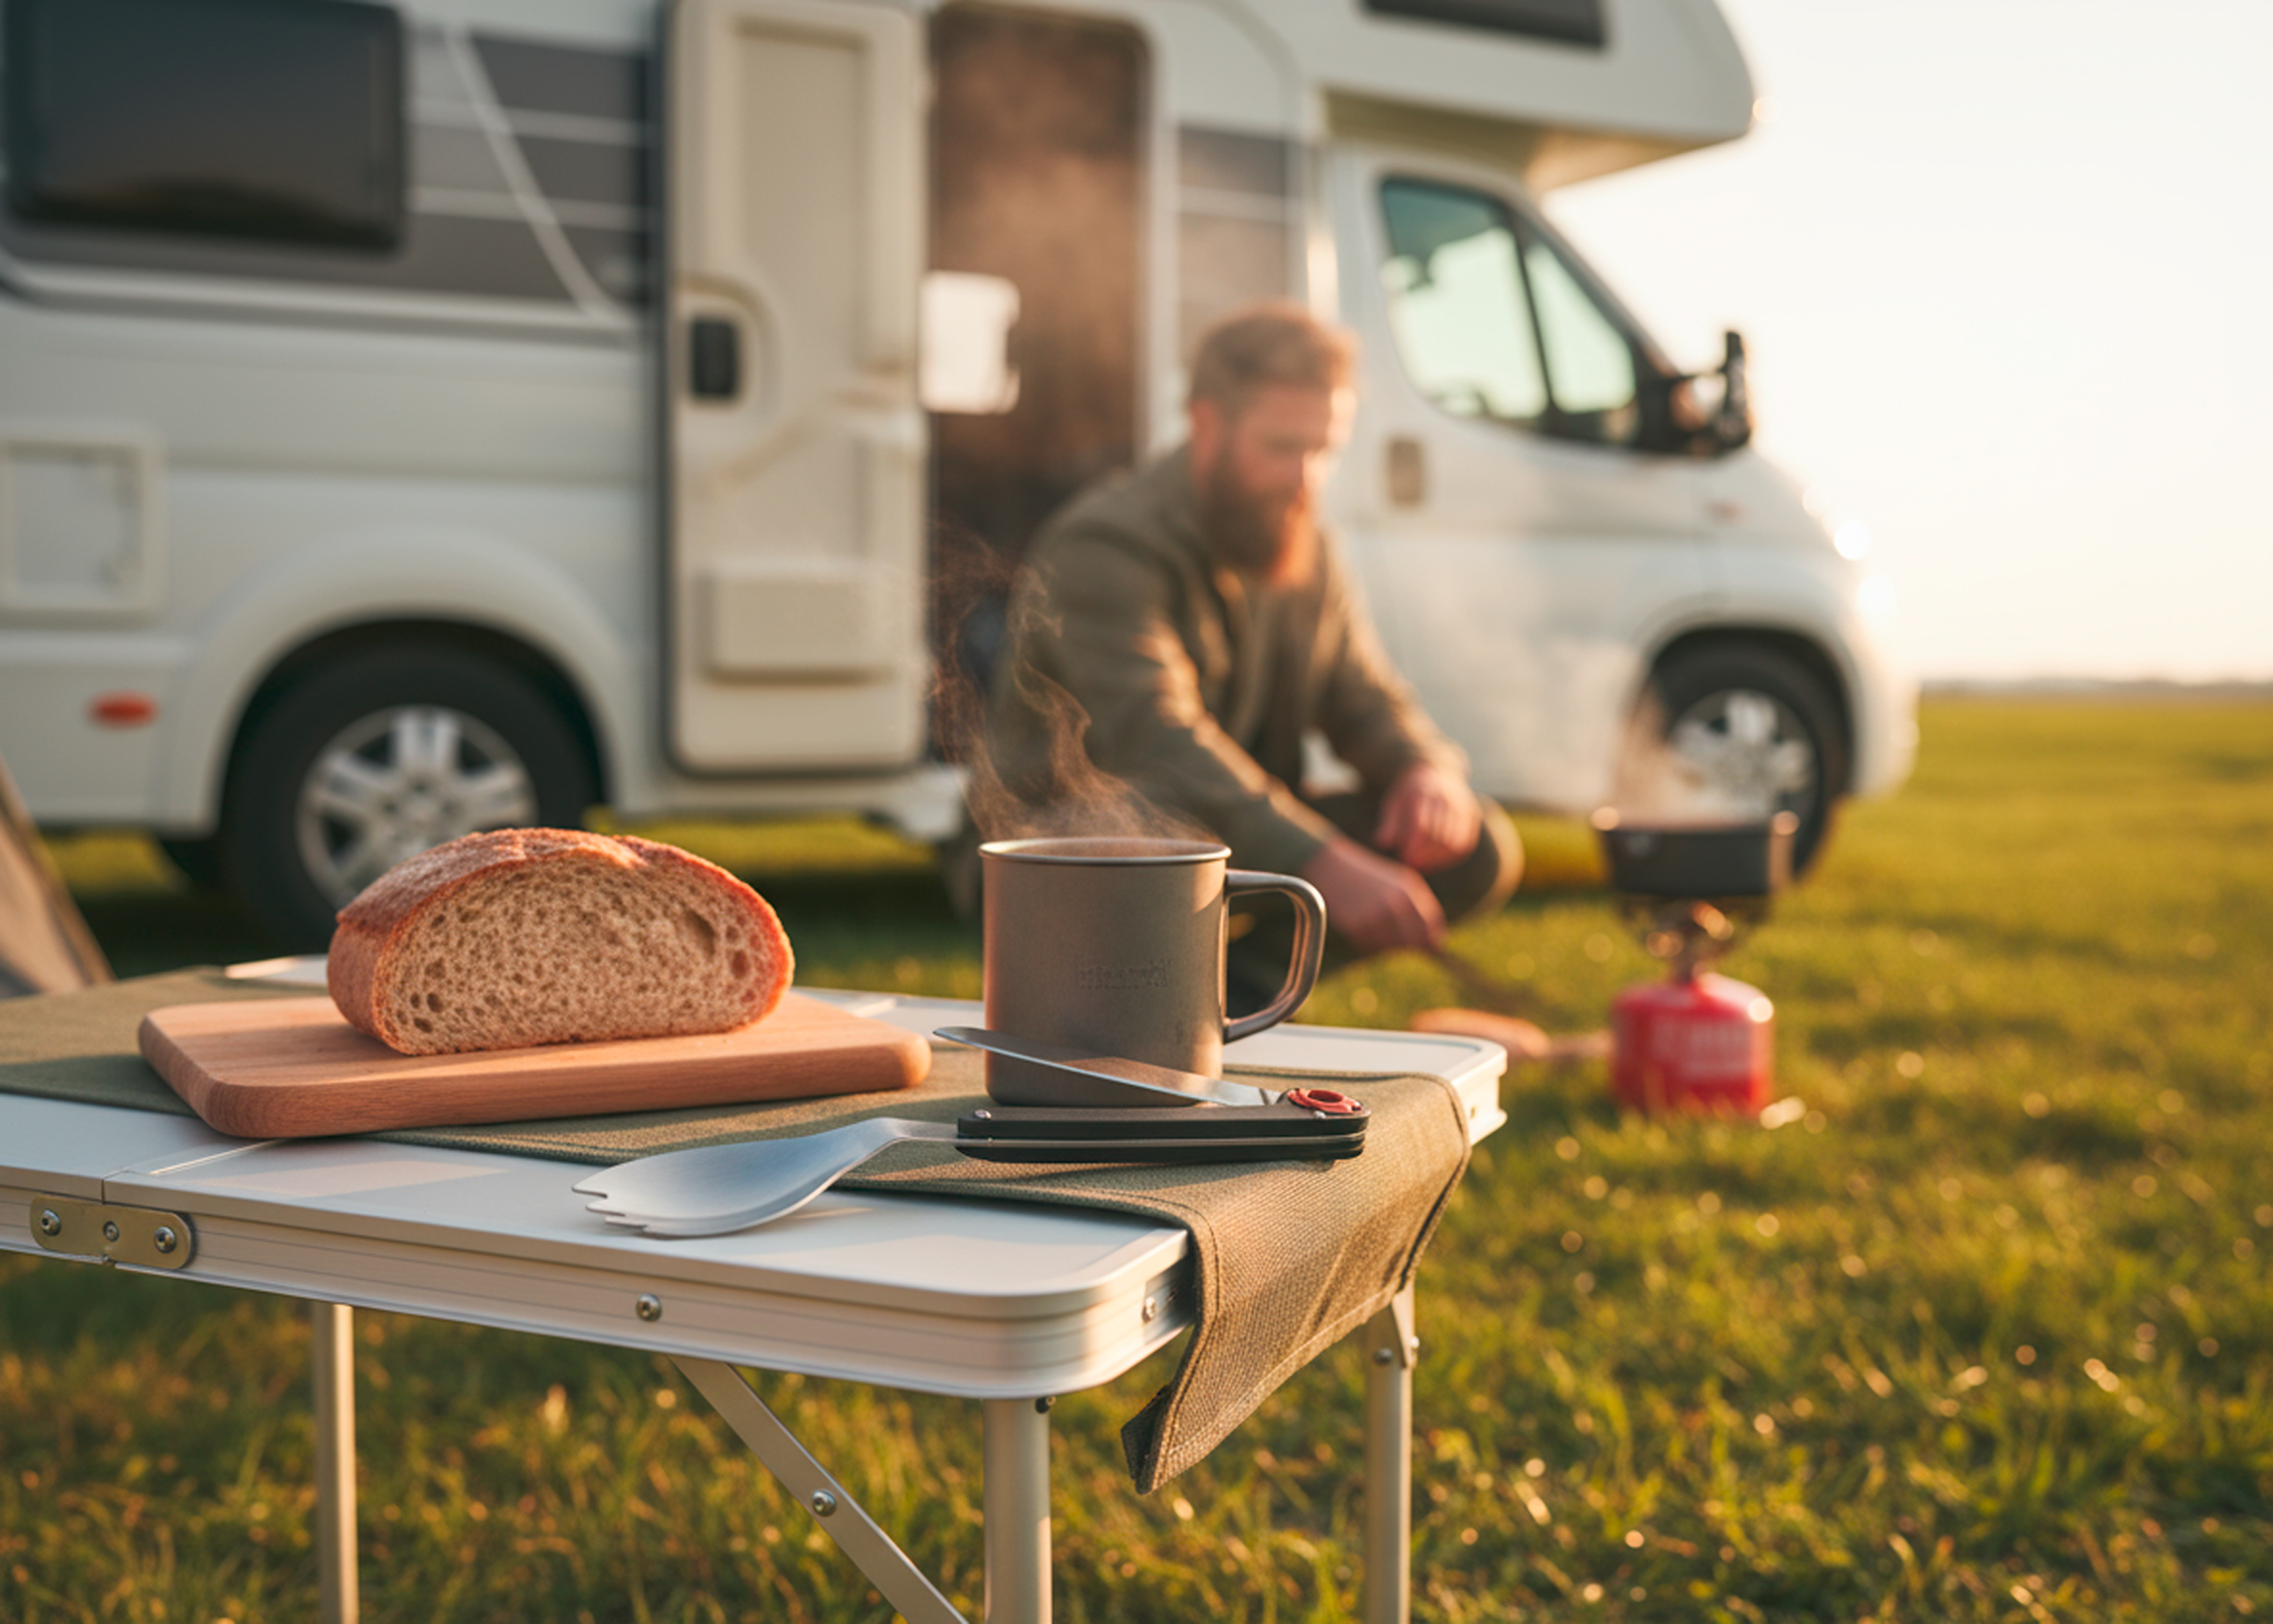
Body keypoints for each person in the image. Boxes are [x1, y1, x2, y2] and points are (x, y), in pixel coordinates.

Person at [986, 303, 1520, 1000]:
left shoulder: (1303, 539)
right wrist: (1318, 859)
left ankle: (1230, 1001)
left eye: (1324, 449)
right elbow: (1157, 739)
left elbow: (1362, 693)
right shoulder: (1106, 545)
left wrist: (1425, 770)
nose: (1306, 478)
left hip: (1220, 833)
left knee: (1475, 845)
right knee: (1129, 819)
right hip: (1069, 852)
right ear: (1208, 424)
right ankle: (1130, 1004)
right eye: (1281, 446)